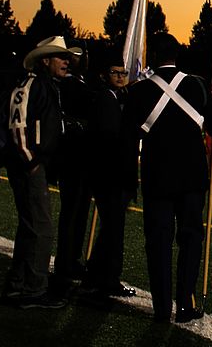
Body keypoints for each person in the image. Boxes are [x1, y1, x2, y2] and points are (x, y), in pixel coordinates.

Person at [124, 33, 212, 323]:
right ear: (177, 55)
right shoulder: (196, 85)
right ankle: (185, 304)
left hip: (157, 177)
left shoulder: (139, 91)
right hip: (192, 177)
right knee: (191, 239)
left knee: (158, 243)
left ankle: (161, 308)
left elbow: (128, 135)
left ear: (154, 57)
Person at [0, 36, 80, 309]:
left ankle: (18, 285)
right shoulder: (33, 84)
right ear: (45, 60)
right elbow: (18, 121)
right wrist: (30, 161)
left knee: (31, 228)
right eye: (61, 57)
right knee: (42, 229)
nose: (67, 61)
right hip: (28, 166)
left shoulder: (45, 85)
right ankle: (34, 291)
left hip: (32, 164)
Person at [82, 56, 137, 300]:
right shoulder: (106, 98)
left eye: (123, 72)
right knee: (113, 231)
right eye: (115, 72)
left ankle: (94, 275)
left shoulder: (116, 98)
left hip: (111, 174)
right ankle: (108, 279)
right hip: (111, 175)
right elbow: (110, 135)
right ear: (106, 75)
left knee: (110, 230)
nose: (120, 76)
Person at [53, 47, 95, 292]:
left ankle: (71, 258)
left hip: (79, 159)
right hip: (73, 159)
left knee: (78, 213)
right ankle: (66, 262)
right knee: (72, 213)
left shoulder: (77, 84)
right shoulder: (70, 86)